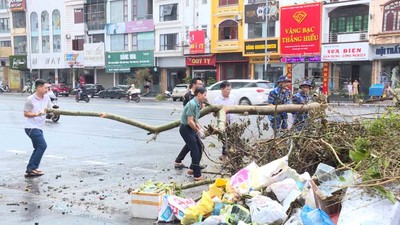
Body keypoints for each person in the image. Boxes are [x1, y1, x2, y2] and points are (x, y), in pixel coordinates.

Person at [174, 77, 205, 169]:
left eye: (201, 84)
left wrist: (200, 128)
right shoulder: (189, 97)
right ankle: (194, 168)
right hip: (188, 125)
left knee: (193, 146)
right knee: (194, 148)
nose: (201, 85)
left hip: (192, 123)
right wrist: (197, 129)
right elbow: (189, 116)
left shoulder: (199, 97)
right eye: (199, 84)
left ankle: (183, 163)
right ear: (194, 85)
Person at [23, 79, 52, 177]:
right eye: (45, 88)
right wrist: (36, 114)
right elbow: (26, 113)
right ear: (39, 87)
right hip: (31, 127)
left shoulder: (47, 97)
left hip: (40, 127)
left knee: (37, 147)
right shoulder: (30, 99)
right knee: (42, 146)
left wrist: (51, 114)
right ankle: (31, 168)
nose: (47, 90)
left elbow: (49, 110)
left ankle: (32, 168)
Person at [179, 86, 208, 181]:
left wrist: (201, 129)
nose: (205, 97)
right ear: (199, 94)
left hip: (190, 128)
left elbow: (195, 120)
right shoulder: (192, 104)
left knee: (200, 147)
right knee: (195, 150)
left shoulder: (198, 104)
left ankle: (192, 168)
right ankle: (197, 175)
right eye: (204, 95)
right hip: (186, 129)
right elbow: (190, 121)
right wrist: (197, 131)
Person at [212, 80, 236, 163]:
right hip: (222, 123)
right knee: (225, 141)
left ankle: (224, 157)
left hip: (232, 123)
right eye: (227, 89)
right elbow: (213, 114)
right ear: (222, 89)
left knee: (231, 140)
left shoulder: (233, 98)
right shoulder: (217, 100)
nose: (229, 91)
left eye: (230, 89)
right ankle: (224, 159)